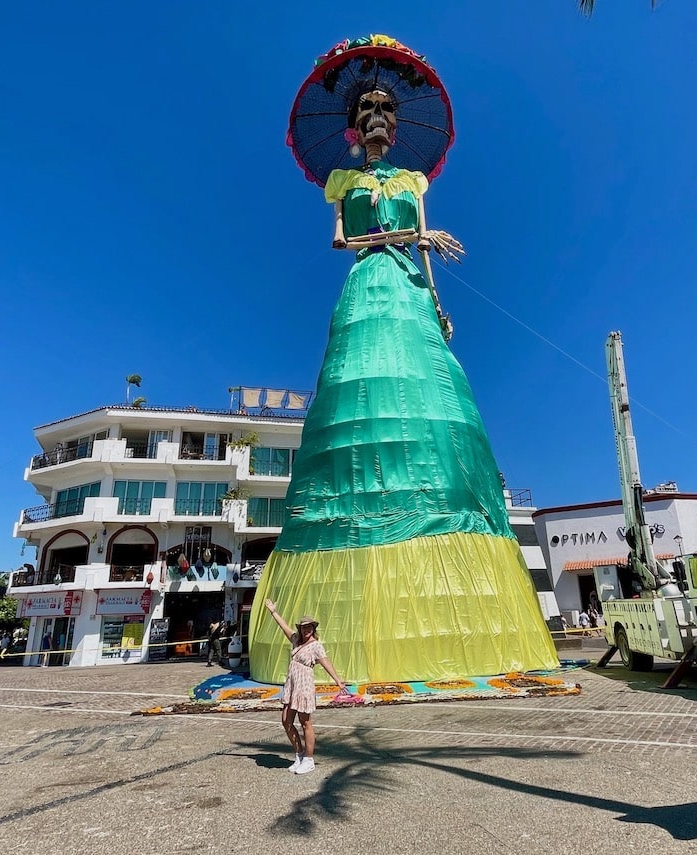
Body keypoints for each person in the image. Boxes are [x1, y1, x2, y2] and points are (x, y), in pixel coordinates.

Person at [250, 35, 558, 686]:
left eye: (386, 110)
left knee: (440, 415)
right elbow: (341, 240)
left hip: (413, 294)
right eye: (368, 111)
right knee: (353, 409)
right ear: (354, 125)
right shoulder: (343, 180)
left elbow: (424, 252)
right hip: (367, 284)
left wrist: (439, 302)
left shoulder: (415, 180)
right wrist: (412, 234)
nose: (378, 120)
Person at [263, 599, 346, 775]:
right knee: (286, 720)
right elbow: (283, 627)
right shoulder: (295, 640)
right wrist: (273, 612)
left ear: (313, 629)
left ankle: (309, 759)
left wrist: (338, 680)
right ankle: (299, 754)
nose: (306, 630)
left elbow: (325, 663)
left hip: (304, 685)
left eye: (309, 627)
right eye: (303, 627)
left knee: (305, 722)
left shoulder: (316, 646)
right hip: (292, 685)